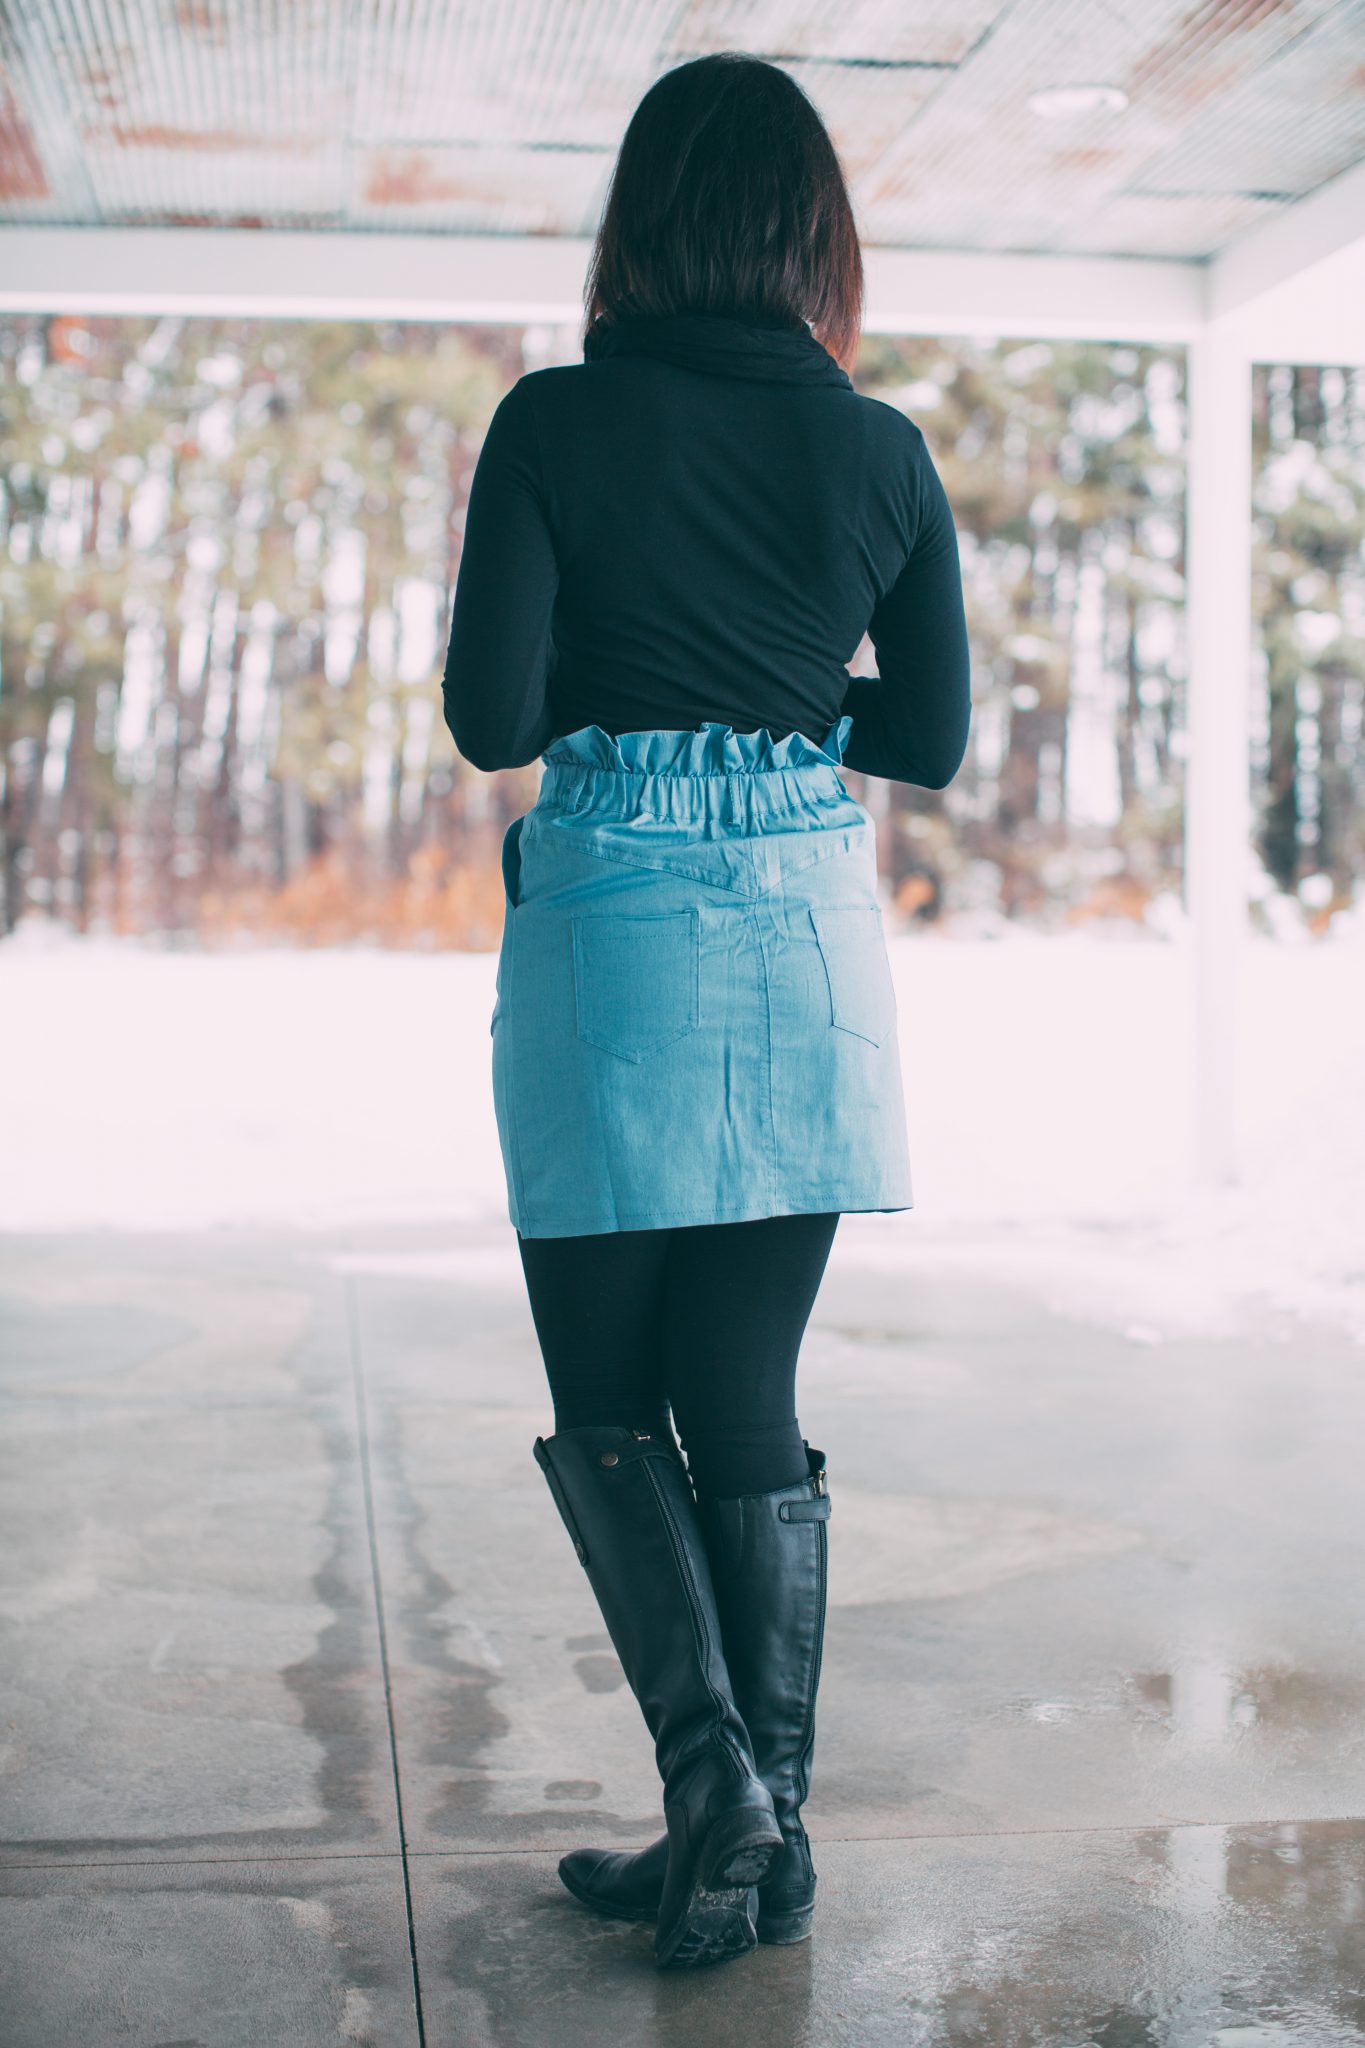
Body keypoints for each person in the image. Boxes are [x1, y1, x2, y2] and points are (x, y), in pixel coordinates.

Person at [441, 51, 970, 1971]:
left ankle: (714, 1795)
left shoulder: (556, 422)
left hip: (618, 922)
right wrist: (783, 686)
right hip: (807, 923)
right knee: (742, 1399)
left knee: (609, 1399)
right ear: (812, 233)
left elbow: (495, 722)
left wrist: (624, 650)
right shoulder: (881, 450)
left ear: (640, 223)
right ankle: (758, 1838)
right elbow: (925, 737)